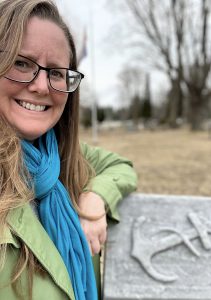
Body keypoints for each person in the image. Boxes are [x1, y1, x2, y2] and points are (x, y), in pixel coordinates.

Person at [0, 1, 137, 300]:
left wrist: (95, 196)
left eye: (57, 72)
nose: (41, 86)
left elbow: (120, 166)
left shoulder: (64, 157)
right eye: (21, 63)